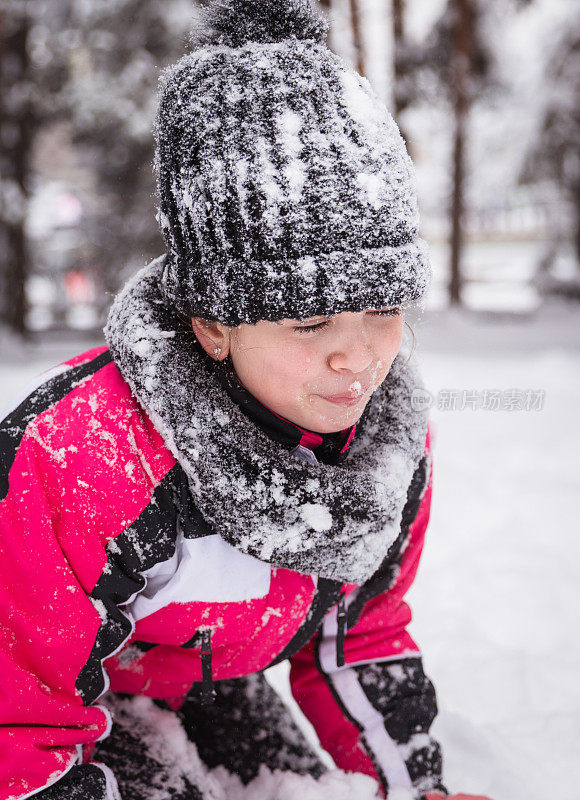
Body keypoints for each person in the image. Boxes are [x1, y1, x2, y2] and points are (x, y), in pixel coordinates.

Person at [0, 1, 492, 799]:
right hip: (60, 701)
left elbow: (355, 633)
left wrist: (414, 785)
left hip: (207, 677)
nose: (357, 355)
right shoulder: (80, 462)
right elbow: (14, 712)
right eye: (310, 320)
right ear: (214, 327)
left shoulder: (385, 446)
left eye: (383, 311)